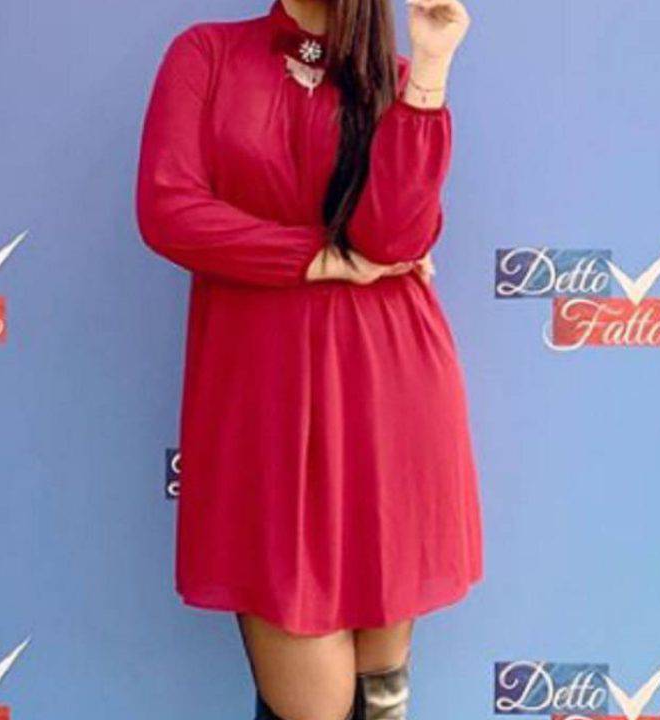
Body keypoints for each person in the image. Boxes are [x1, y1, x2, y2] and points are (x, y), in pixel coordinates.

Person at [135, 0, 480, 717]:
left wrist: (432, 67)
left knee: (382, 697)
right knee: (312, 701)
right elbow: (168, 209)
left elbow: (395, 239)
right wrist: (316, 258)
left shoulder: (396, 80)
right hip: (263, 400)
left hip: (388, 390)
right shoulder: (207, 55)